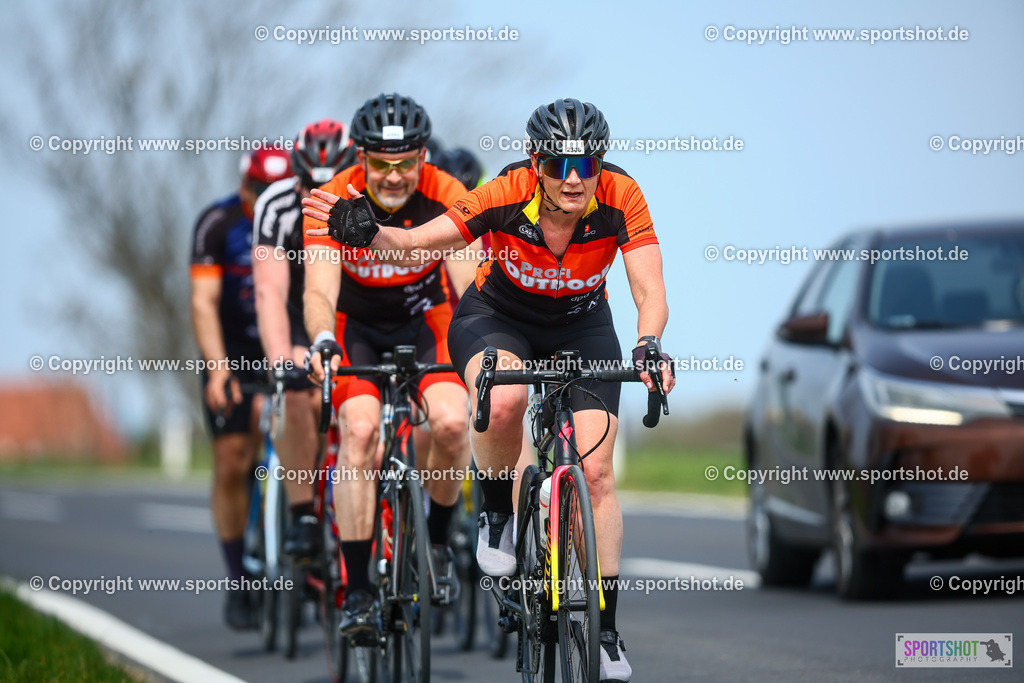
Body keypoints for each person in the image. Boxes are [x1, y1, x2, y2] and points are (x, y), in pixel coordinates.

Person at [303, 98, 674, 683]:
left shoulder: (623, 196)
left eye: (587, 164)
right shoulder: (503, 192)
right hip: (499, 316)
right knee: (502, 399)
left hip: (582, 321)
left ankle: (603, 628)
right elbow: (419, 244)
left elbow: (649, 288)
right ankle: (497, 513)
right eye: (558, 165)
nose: (574, 179)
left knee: (597, 475)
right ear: (536, 162)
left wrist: (649, 345)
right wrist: (370, 232)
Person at [302, 93, 473, 642]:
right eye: (382, 164)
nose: (395, 176)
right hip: (359, 326)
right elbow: (319, 290)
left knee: (450, 423)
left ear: (424, 157)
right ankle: (355, 591)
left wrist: (486, 344)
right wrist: (323, 338)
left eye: (406, 164)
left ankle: (440, 541)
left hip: (428, 318)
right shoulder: (332, 198)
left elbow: (470, 285)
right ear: (361, 157)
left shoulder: (448, 192)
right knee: (359, 432)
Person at [190, 146, 293, 629]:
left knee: (294, 436)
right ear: (243, 185)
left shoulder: (301, 217)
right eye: (257, 190)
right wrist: (217, 368)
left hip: (286, 343)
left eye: (276, 190)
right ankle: (237, 578)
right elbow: (203, 302)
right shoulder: (216, 223)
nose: (265, 199)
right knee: (233, 458)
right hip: (233, 353)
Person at [252, 119, 356, 560]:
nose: (315, 198)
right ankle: (303, 515)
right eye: (306, 187)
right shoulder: (275, 206)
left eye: (327, 187)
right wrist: (280, 360)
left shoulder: (370, 199)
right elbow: (269, 291)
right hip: (299, 316)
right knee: (296, 394)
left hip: (356, 313)